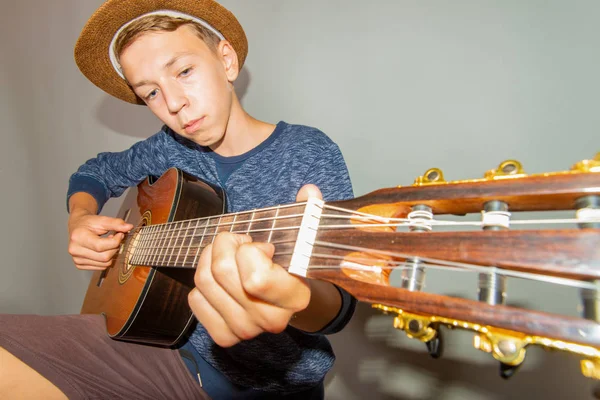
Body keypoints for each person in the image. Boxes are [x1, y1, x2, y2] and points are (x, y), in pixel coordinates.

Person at [0, 0, 356, 399]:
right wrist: (79, 217)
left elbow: (337, 304)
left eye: (184, 72)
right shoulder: (169, 148)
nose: (172, 104)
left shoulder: (307, 152)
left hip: (265, 388)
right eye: (150, 92)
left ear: (226, 61)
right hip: (162, 350)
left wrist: (297, 298)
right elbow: (96, 172)